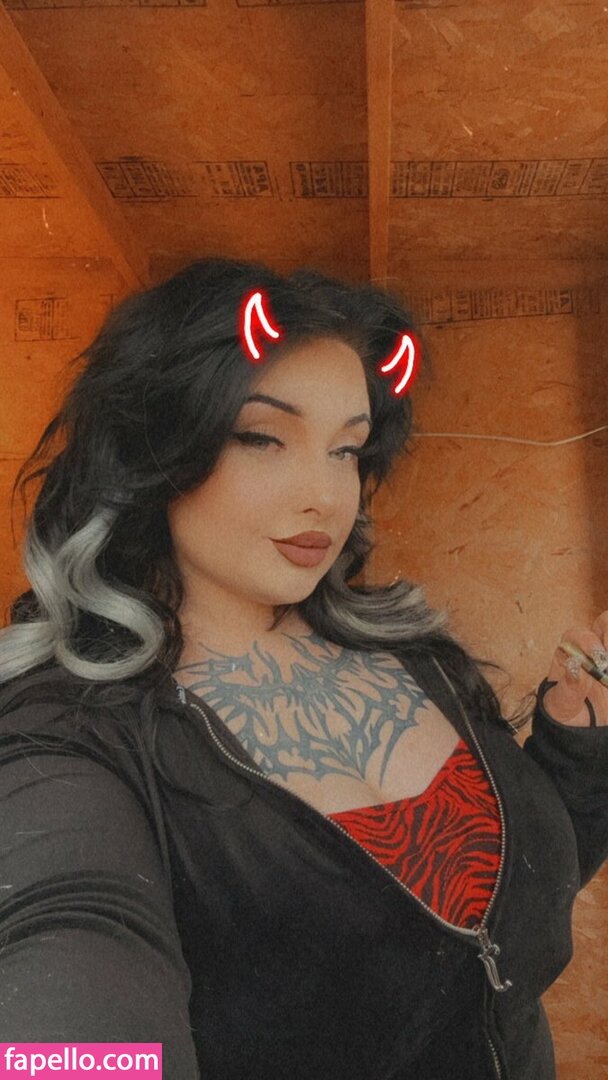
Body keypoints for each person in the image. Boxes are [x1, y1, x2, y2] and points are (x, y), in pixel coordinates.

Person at [0, 256, 606, 1080]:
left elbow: (499, 914)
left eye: (346, 450)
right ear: (156, 448)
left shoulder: (416, 654)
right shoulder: (73, 734)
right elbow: (70, 961)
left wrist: (578, 750)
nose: (326, 495)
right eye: (263, 437)